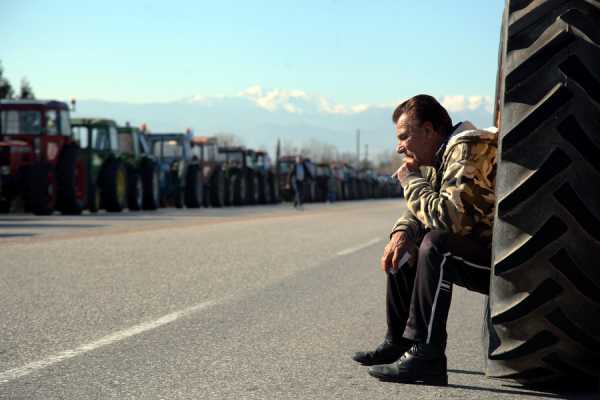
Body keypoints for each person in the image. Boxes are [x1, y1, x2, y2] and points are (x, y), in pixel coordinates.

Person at [352, 94, 497, 386]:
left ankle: (427, 355)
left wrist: (411, 181)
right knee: (407, 245)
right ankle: (399, 343)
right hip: (480, 251)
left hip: (503, 266)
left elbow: (448, 219)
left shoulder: (468, 149)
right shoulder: (440, 155)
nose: (399, 146)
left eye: (405, 136)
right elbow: (420, 210)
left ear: (429, 131)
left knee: (436, 244)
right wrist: (401, 233)